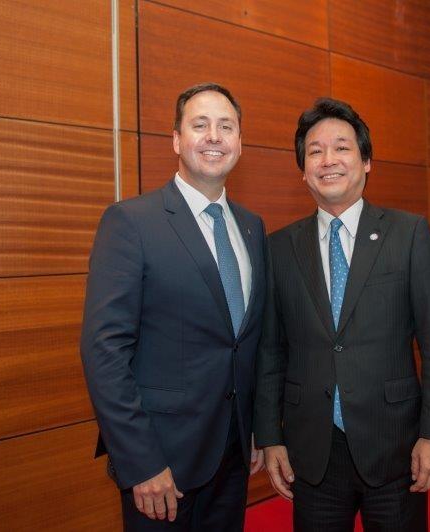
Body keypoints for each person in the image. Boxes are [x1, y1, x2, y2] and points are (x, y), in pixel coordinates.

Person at [254, 97, 430, 531]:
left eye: (342, 148)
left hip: (396, 447)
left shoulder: (409, 234)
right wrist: (270, 436)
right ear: (302, 170)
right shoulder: (279, 249)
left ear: (366, 161)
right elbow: (271, 351)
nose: (329, 160)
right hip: (313, 452)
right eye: (315, 151)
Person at [81, 82, 266, 531]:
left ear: (240, 142)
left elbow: (247, 342)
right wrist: (139, 462)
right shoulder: (131, 221)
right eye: (199, 125)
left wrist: (257, 429)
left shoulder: (251, 227)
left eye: (226, 126)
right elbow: (104, 352)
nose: (214, 136)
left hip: (233, 455)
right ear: (176, 140)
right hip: (161, 464)